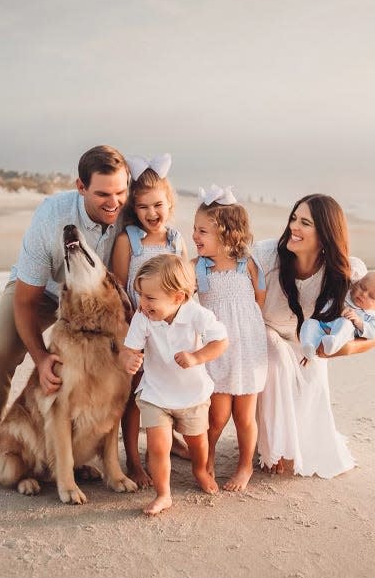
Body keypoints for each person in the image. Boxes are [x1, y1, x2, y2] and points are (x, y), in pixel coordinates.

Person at [0, 145, 129, 483]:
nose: (114, 202)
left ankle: (132, 450)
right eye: (103, 194)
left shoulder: (128, 208)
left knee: (132, 360)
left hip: (102, 300)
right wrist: (41, 358)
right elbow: (24, 301)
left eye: (121, 191)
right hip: (44, 292)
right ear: (81, 187)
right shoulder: (51, 218)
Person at [253, 194, 375, 477]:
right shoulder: (265, 255)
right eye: (293, 218)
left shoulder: (346, 272)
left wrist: (341, 350)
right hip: (265, 332)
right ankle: (273, 448)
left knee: (313, 372)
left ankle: (294, 443)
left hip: (306, 342)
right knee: (276, 361)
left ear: (325, 235)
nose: (294, 227)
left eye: (305, 222)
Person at [119, 254, 228, 515]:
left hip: (192, 395)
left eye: (150, 298)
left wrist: (196, 357)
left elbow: (221, 341)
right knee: (158, 446)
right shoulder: (143, 317)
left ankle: (200, 470)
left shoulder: (196, 314)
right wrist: (129, 360)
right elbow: (128, 349)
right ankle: (163, 493)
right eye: (141, 296)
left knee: (197, 443)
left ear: (178, 297)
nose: (143, 304)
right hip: (155, 393)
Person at [110, 153, 189, 489]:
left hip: (171, 332)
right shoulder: (129, 240)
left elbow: (185, 285)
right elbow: (117, 287)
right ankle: (132, 457)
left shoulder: (175, 240)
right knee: (134, 395)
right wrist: (130, 334)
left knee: (170, 385)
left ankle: (169, 439)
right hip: (139, 328)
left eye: (158, 205)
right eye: (143, 207)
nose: (152, 214)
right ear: (134, 208)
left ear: (169, 203)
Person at [192, 184, 267, 492]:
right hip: (217, 350)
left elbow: (258, 300)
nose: (195, 236)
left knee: (245, 417)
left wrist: (243, 327)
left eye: (202, 231)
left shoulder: (247, 264)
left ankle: (245, 466)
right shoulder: (198, 268)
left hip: (248, 349)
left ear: (227, 234)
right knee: (216, 416)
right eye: (194, 230)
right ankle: (205, 463)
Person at [300, 270, 375, 358]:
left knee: (345, 323)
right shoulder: (345, 294)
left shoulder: (373, 315)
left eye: (371, 296)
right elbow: (325, 305)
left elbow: (373, 332)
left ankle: (332, 343)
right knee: (309, 323)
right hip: (322, 325)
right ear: (357, 283)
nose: (364, 294)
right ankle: (309, 346)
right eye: (362, 287)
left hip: (341, 334)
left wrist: (359, 322)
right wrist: (336, 309)